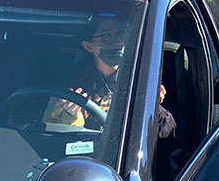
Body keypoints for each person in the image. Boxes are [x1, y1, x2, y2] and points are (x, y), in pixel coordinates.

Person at [43, 14, 175, 136]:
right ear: (89, 46)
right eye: (107, 36)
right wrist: (70, 115)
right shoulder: (71, 82)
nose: (118, 42)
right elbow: (51, 133)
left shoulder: (141, 77)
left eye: (121, 33)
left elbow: (168, 132)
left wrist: (151, 106)